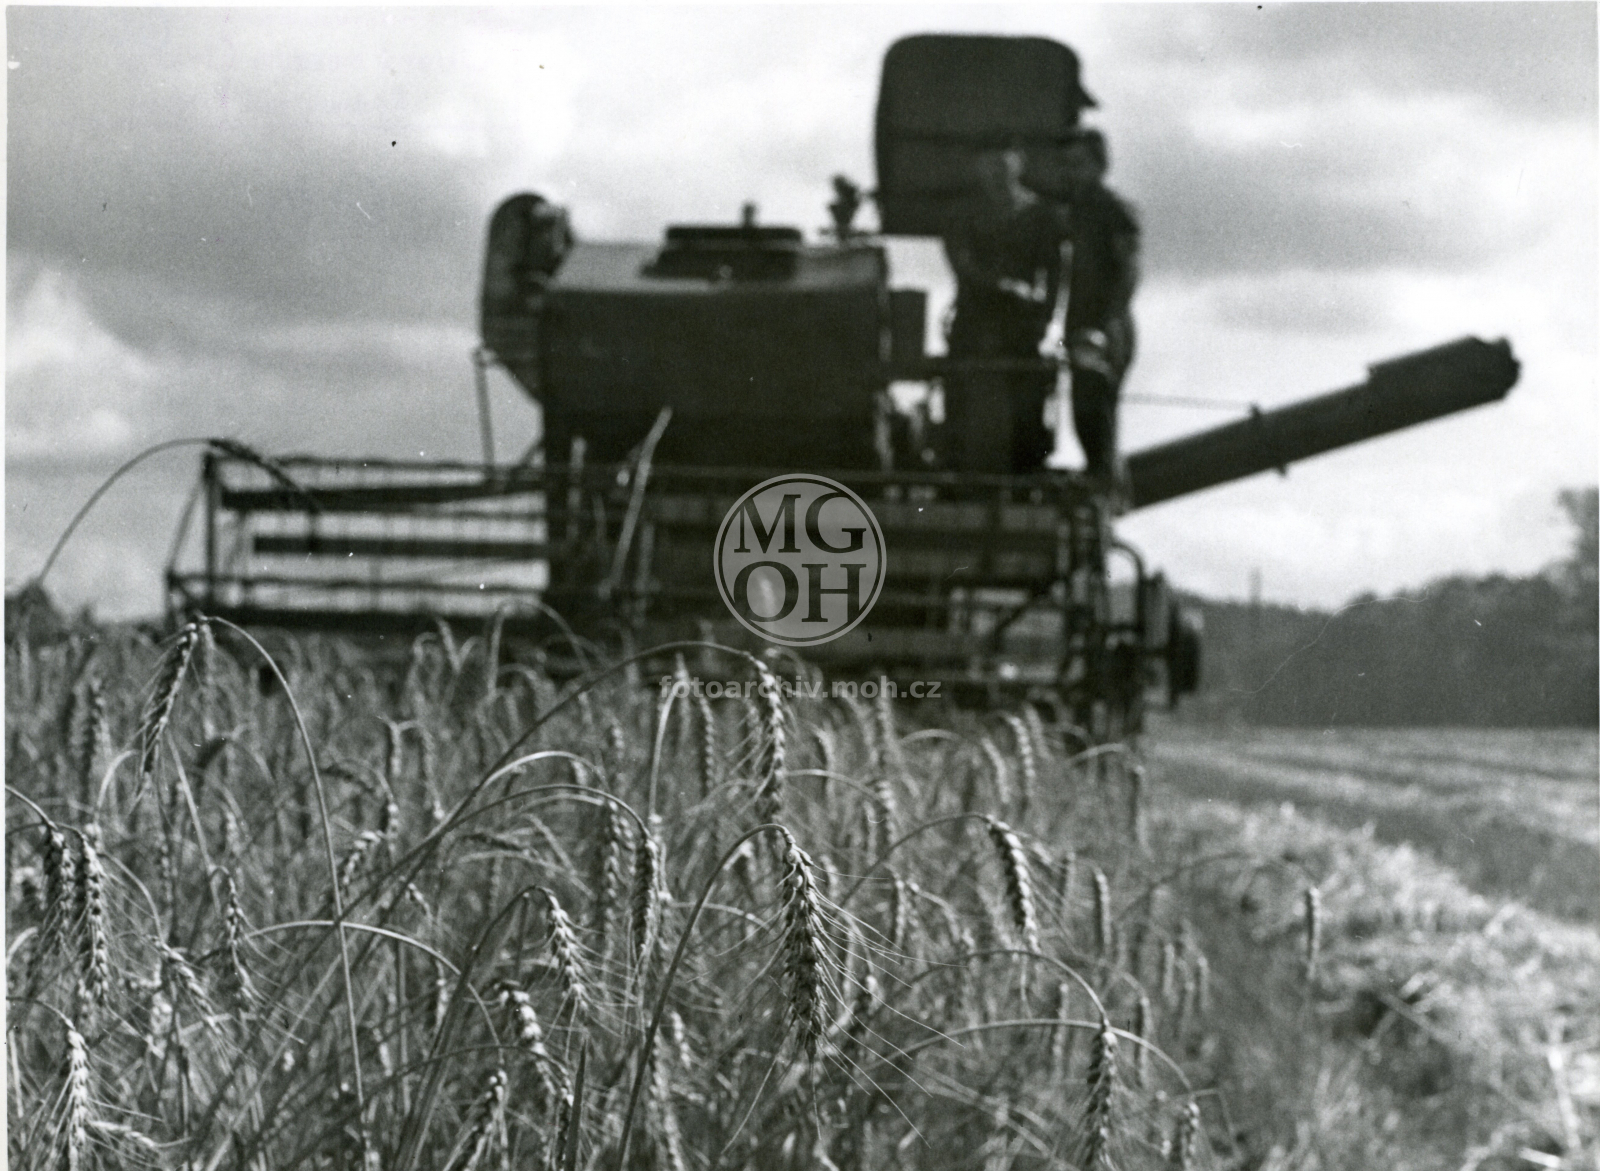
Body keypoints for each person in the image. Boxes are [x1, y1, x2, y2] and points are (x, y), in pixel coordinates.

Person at [941, 148, 1071, 475]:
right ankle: (955, 466)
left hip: (1023, 322)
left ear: (1019, 164)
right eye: (989, 163)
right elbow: (961, 261)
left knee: (1028, 394)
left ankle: (1029, 470)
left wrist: (1046, 317)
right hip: (974, 316)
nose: (996, 171)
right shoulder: (964, 212)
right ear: (978, 168)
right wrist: (1000, 284)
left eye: (1004, 162)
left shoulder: (1041, 214)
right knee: (960, 387)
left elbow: (1056, 270)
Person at [1053, 129, 1140, 483]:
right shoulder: (1076, 209)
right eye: (1068, 165)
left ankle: (1104, 482)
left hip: (1106, 326)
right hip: (1083, 324)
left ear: (1099, 165)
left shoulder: (1113, 210)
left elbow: (1130, 272)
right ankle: (1100, 478)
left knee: (1097, 411)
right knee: (1084, 409)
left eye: (1080, 164)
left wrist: (1106, 325)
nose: (1073, 172)